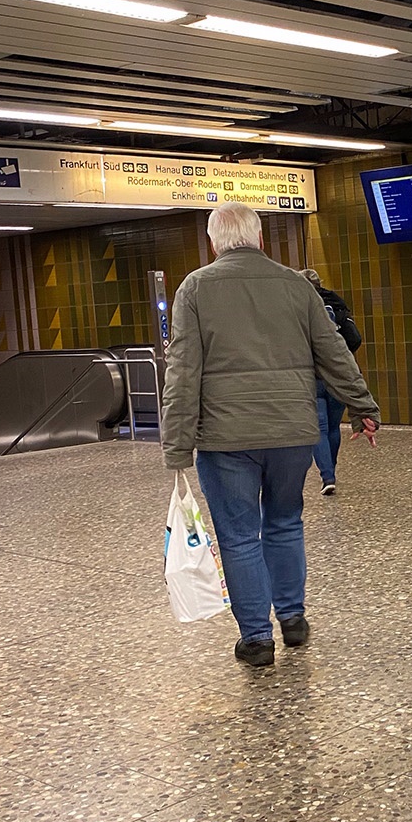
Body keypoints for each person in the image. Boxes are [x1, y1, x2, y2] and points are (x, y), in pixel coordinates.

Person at [161, 204, 381, 667]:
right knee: (285, 521)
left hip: (225, 438)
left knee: (239, 536)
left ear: (213, 244)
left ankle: (258, 639)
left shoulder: (195, 288)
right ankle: (293, 618)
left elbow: (183, 371)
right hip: (291, 431)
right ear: (260, 239)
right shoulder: (296, 285)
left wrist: (177, 444)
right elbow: (333, 352)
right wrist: (363, 406)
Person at [302, 269, 362, 496]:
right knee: (334, 427)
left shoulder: (301, 308)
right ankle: (331, 469)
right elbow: (354, 339)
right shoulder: (337, 305)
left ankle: (327, 476)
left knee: (320, 428)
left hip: (313, 377)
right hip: (336, 378)